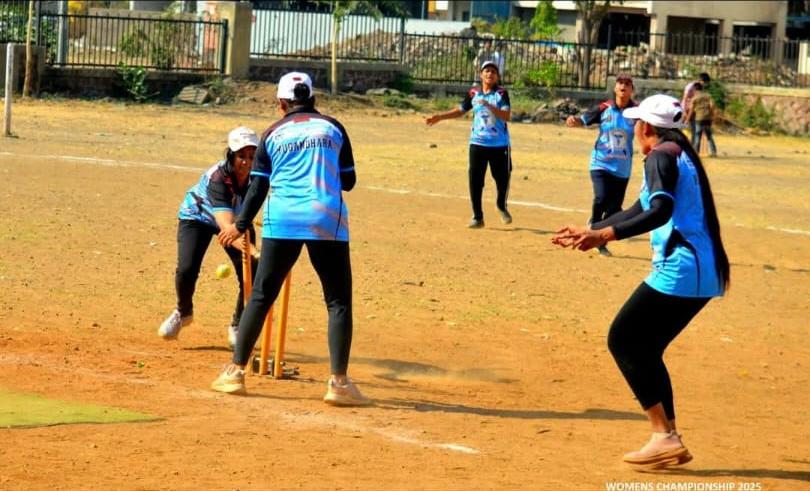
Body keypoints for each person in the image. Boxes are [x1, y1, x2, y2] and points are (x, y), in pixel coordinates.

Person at [552, 94, 730, 469]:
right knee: (645, 348)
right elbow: (640, 208)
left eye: (637, 123)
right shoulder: (676, 152)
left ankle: (663, 435)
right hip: (698, 270)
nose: (634, 128)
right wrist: (592, 227)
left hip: (682, 269)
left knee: (623, 339)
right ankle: (668, 437)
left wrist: (605, 238)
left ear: (646, 127)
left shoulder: (661, 157)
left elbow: (659, 211)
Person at [212, 72, 370, 407]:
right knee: (338, 301)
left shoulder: (272, 133)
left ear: (282, 103)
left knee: (262, 294)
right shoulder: (333, 127)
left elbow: (258, 187)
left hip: (282, 218)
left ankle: (234, 373)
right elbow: (349, 181)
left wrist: (240, 225)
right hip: (326, 218)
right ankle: (338, 383)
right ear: (313, 98)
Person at [158, 127, 259, 347]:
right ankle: (183, 312)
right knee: (186, 269)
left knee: (251, 271)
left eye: (252, 157)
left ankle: (238, 325)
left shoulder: (258, 176)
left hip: (237, 218)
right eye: (242, 156)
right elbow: (226, 227)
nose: (247, 163)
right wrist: (254, 250)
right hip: (198, 215)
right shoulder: (218, 178)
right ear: (231, 155)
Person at [426, 60, 512, 228]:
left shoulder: (501, 93)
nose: (490, 74)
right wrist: (439, 117)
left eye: (493, 71)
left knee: (502, 179)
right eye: (486, 71)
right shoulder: (473, 93)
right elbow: (461, 110)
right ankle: (477, 216)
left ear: (498, 77)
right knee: (475, 179)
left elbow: (507, 116)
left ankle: (501, 205)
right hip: (477, 143)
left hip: (500, 145)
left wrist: (490, 107)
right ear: (481, 75)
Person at [565, 74, 637, 256]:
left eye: (627, 84)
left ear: (631, 90)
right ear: (615, 88)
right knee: (601, 198)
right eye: (620, 83)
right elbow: (585, 119)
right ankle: (596, 234)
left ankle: (599, 233)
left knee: (614, 209)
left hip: (622, 167)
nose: (623, 86)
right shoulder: (605, 108)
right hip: (601, 163)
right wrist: (576, 121)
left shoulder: (637, 112)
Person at [686, 83, 717, 157]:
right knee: (709, 136)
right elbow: (712, 106)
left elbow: (691, 110)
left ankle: (696, 152)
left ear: (695, 89)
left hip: (699, 119)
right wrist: (713, 116)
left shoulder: (694, 98)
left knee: (697, 136)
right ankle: (713, 152)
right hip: (708, 118)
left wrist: (687, 119)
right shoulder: (708, 96)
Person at [682, 72, 711, 138]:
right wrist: (684, 111)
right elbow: (685, 98)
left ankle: (693, 145)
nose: (705, 85)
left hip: (694, 109)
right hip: (687, 108)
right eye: (705, 83)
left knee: (694, 129)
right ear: (701, 80)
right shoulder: (690, 86)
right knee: (682, 127)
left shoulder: (701, 88)